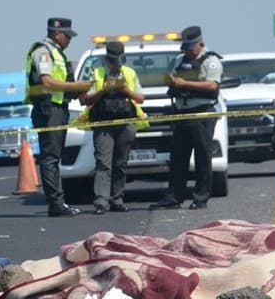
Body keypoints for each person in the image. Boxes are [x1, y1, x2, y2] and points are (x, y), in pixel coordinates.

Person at [149, 25, 223, 210]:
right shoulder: (179, 60)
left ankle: (200, 198)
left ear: (201, 43)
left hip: (202, 114)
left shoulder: (211, 61)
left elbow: (212, 86)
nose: (188, 52)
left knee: (202, 157)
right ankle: (174, 197)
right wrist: (172, 83)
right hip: (182, 114)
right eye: (186, 48)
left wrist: (186, 83)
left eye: (191, 48)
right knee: (178, 158)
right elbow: (172, 78)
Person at [25, 17, 92, 217]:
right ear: (57, 33)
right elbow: (47, 81)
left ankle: (58, 202)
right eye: (67, 36)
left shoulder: (57, 53)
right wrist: (78, 87)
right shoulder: (43, 51)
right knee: (51, 157)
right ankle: (56, 204)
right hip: (48, 110)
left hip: (58, 108)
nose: (70, 40)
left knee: (54, 157)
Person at [79, 41, 146, 215]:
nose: (115, 64)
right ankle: (101, 201)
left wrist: (126, 91)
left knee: (120, 163)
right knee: (103, 163)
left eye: (118, 60)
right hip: (104, 124)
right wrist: (103, 90)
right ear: (107, 59)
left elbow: (140, 98)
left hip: (125, 123)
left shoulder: (129, 73)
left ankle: (117, 199)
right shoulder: (97, 73)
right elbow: (85, 99)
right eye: (112, 60)